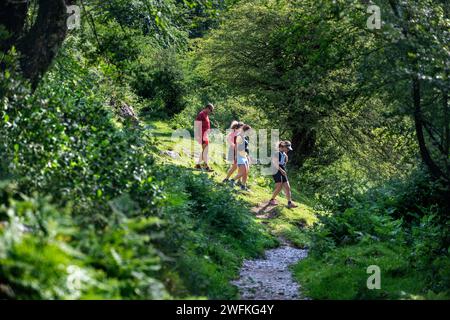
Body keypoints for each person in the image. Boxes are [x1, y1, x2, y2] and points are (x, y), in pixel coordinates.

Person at [269, 141, 298, 208]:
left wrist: (286, 158)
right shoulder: (277, 153)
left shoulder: (284, 154)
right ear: (283, 147)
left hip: (281, 169)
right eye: (287, 148)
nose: (288, 150)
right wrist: (281, 170)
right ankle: (272, 199)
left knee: (287, 187)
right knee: (279, 186)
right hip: (275, 169)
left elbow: (284, 163)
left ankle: (289, 202)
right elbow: (275, 164)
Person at [229, 124, 252, 191]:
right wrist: (236, 156)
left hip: (245, 156)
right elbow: (236, 146)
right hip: (240, 156)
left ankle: (243, 186)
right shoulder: (239, 136)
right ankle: (232, 180)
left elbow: (245, 147)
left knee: (246, 172)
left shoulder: (245, 137)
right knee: (242, 172)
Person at [195, 103, 214, 172]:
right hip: (201, 135)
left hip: (205, 135)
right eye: (210, 110)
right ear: (207, 108)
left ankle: (198, 165)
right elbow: (197, 125)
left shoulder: (206, 115)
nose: (211, 112)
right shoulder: (201, 114)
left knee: (204, 150)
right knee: (205, 150)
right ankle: (206, 166)